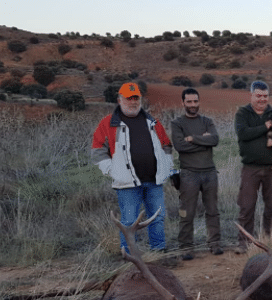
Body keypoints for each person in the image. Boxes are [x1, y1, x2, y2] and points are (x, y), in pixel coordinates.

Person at [91, 82, 173, 252]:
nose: (133, 102)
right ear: (120, 100)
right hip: (127, 184)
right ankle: (129, 257)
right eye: (129, 99)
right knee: (128, 221)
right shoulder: (108, 123)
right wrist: (113, 170)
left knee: (157, 217)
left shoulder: (152, 121)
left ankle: (159, 251)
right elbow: (98, 150)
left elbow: (166, 144)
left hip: (154, 180)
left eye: (136, 98)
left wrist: (166, 165)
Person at [235, 81, 272, 253]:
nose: (262, 99)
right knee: (246, 207)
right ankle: (243, 243)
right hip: (250, 168)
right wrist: (266, 127)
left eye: (265, 96)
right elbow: (243, 134)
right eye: (258, 95)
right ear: (251, 95)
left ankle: (268, 241)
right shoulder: (243, 113)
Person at [170, 88, 222, 260]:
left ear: (199, 102)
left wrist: (192, 138)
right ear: (183, 103)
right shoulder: (177, 123)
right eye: (189, 102)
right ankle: (185, 247)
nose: (193, 105)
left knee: (213, 210)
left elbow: (214, 140)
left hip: (209, 172)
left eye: (195, 101)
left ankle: (214, 244)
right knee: (187, 212)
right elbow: (180, 146)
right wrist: (203, 140)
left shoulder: (207, 121)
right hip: (189, 174)